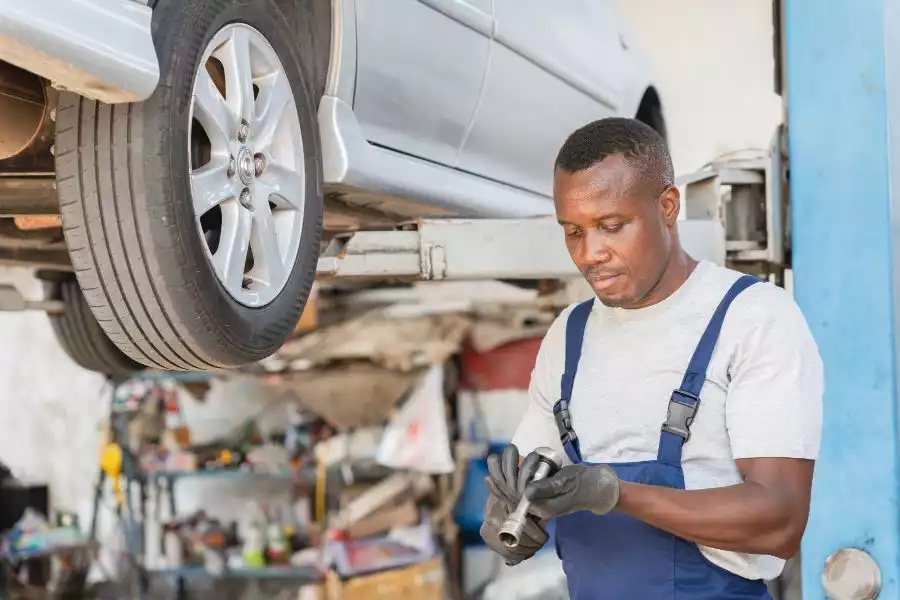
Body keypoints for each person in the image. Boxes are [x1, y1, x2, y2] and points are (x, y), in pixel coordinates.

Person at [479, 118, 823, 599]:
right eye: (572, 232)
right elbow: (531, 485)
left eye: (611, 226)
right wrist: (508, 516)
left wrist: (613, 493)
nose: (590, 253)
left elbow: (780, 519)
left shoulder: (751, 319)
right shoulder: (568, 335)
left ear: (667, 206)